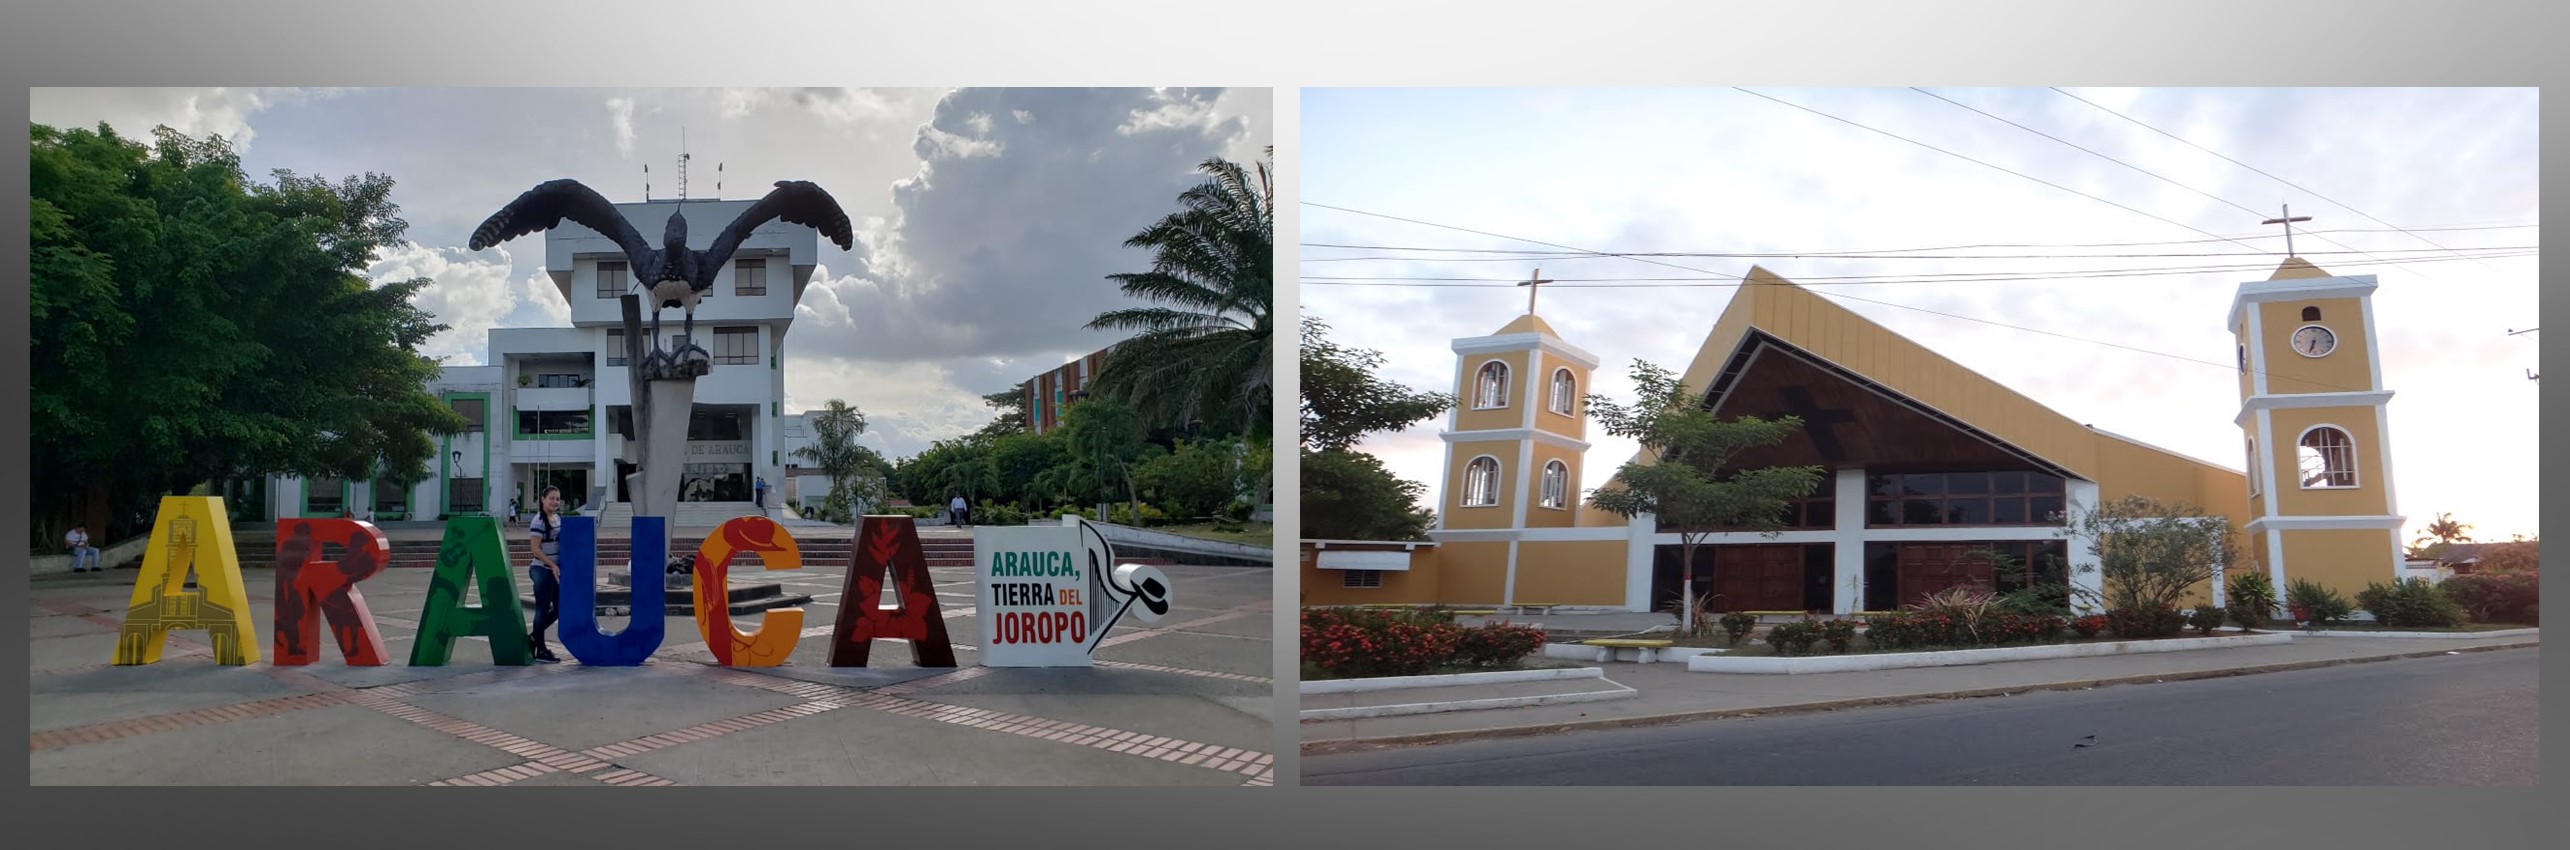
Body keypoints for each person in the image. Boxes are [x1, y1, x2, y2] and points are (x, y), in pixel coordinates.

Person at [525, 486, 566, 663]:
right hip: (542, 569)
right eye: (551, 498)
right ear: (543, 499)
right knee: (542, 609)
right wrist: (552, 565)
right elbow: (535, 549)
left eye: (557, 499)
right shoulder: (538, 521)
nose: (555, 502)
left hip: (554, 571)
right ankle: (541, 650)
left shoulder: (557, 518)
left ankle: (534, 637)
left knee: (559, 609)